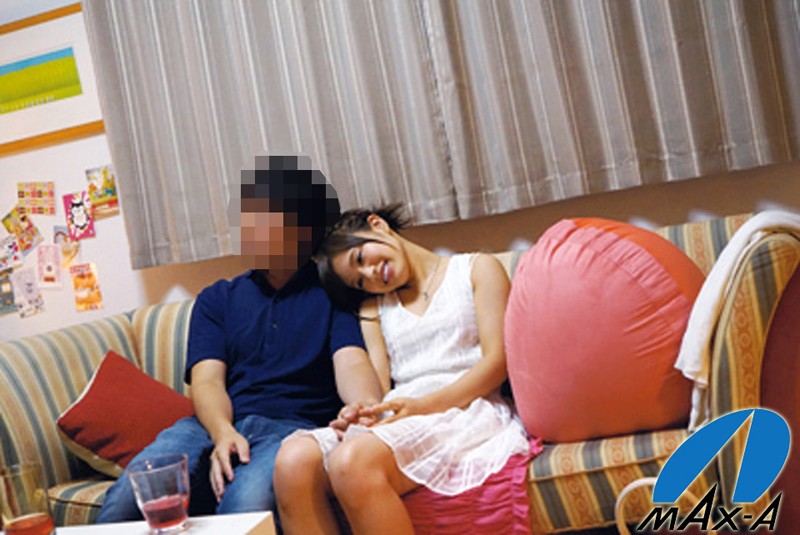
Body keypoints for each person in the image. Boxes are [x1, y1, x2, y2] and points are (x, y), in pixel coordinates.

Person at [97, 156, 383, 523]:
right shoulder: (217, 298)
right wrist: (222, 432)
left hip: (291, 430)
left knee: (247, 505)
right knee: (129, 499)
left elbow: (351, 360)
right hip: (209, 425)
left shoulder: (333, 292)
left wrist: (363, 408)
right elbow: (206, 380)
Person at [274, 205, 531, 535]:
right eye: (360, 281)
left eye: (360, 258)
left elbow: (497, 363)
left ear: (377, 225)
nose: (370, 274)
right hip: (401, 413)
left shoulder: (476, 269)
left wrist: (423, 406)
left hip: (465, 408)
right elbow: (379, 389)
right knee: (293, 462)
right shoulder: (375, 307)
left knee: (351, 462)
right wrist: (360, 412)